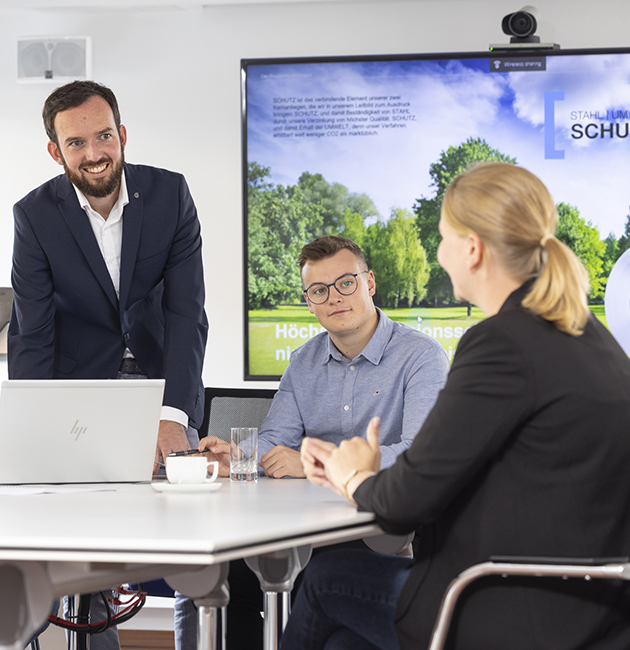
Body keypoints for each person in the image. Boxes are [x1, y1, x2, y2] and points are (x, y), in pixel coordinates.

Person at [288, 162, 630, 650]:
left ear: (472, 248)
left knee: (324, 578)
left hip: (522, 612)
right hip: (601, 612)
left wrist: (352, 475)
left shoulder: (503, 344)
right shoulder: (590, 337)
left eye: (443, 238)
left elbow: (402, 505)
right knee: (344, 644)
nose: (439, 254)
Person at [8, 80, 209, 649]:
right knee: (84, 550)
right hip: (82, 391)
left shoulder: (170, 194)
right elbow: (32, 332)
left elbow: (186, 313)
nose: (94, 153)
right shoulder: (34, 215)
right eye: (76, 143)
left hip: (161, 380)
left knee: (190, 538)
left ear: (121, 134)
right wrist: (35, 431)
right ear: (56, 151)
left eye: (103, 136)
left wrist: (173, 416)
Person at [180, 236, 449, 650]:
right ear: (308, 302)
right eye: (319, 290)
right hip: (306, 525)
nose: (334, 297)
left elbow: (419, 456)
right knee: (219, 577)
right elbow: (277, 440)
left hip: (380, 527)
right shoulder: (302, 361)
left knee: (314, 584)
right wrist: (240, 457)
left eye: (346, 283)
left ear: (369, 283)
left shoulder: (421, 357)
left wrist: (316, 465)